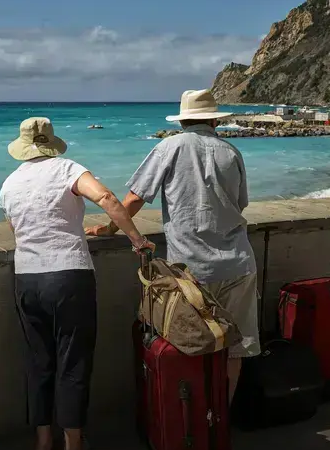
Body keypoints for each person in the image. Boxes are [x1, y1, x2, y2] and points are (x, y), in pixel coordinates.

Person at [86, 89, 259, 403]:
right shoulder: (231, 152)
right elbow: (240, 204)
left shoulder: (170, 146)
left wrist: (110, 227)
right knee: (236, 349)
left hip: (191, 272)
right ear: (214, 121)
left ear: (182, 120)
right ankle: (220, 420)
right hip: (238, 263)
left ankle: (191, 420)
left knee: (190, 345)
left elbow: (135, 197)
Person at [0, 117, 155, 450]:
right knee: (73, 360)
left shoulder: (9, 184)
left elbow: (16, 229)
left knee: (39, 363)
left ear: (22, 147)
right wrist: (137, 240)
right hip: (69, 276)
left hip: (27, 278)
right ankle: (72, 443)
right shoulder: (67, 169)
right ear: (51, 143)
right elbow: (107, 197)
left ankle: (42, 442)